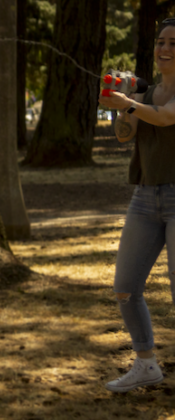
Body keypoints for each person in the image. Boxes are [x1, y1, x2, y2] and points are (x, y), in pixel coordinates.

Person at [98, 19, 175, 392]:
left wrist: (129, 101)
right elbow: (124, 136)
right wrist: (120, 104)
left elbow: (165, 118)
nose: (165, 48)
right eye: (161, 41)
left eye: (174, 43)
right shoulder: (146, 92)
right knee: (125, 287)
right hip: (145, 196)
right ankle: (146, 364)